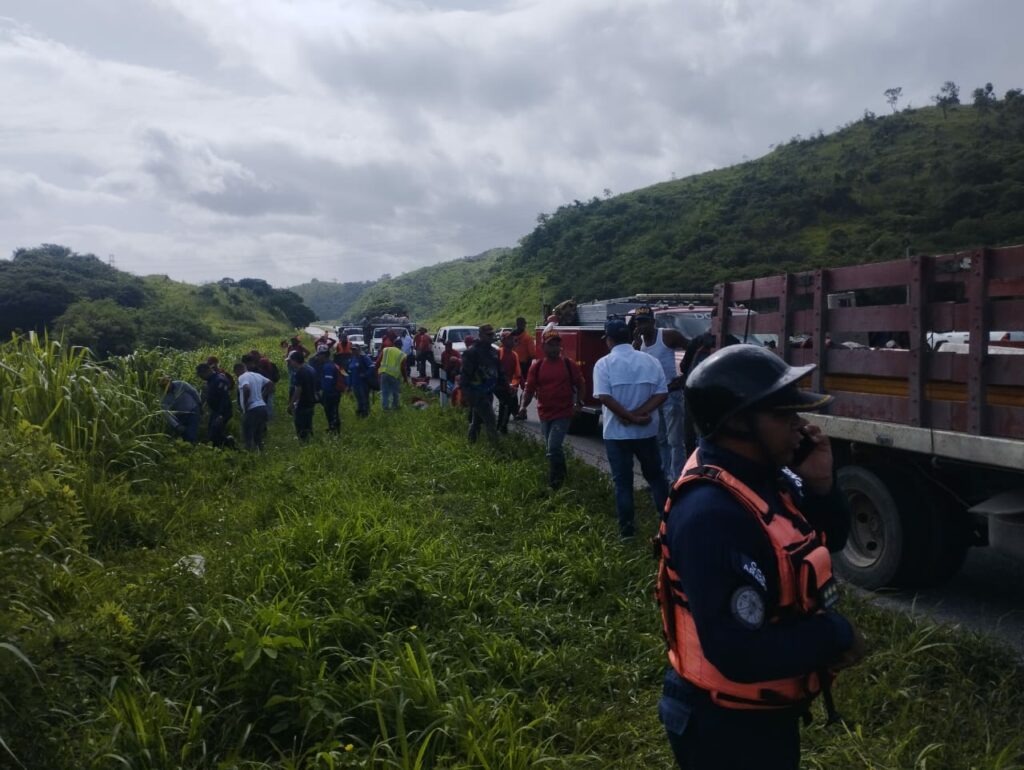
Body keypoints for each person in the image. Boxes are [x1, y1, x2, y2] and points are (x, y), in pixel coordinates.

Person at [656, 344, 866, 770]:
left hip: (762, 714)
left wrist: (822, 484)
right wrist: (836, 635)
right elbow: (737, 651)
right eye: (783, 416)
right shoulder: (712, 514)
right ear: (737, 423)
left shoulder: (766, 475)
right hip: (725, 728)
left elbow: (828, 541)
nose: (800, 427)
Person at [591, 319, 669, 539]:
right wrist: (639, 415)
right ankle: (668, 526)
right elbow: (662, 393)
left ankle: (627, 534)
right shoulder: (651, 361)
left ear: (609, 340)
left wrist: (629, 417)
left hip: (617, 434)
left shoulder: (603, 364)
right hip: (646, 432)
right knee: (656, 478)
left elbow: (604, 397)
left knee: (623, 483)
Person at [518, 328, 585, 488]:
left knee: (553, 447)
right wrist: (523, 407)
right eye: (551, 345)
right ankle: (563, 474)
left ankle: (556, 483)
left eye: (557, 344)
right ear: (543, 347)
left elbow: (581, 383)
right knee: (551, 448)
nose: (555, 348)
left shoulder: (568, 364)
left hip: (563, 412)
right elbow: (529, 389)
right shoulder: (538, 366)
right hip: (544, 413)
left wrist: (579, 403)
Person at [633, 306, 689, 484]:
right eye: (638, 322)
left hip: (671, 395)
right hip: (653, 399)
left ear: (653, 322)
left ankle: (677, 480)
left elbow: (694, 349)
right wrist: (635, 343)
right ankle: (663, 477)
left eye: (645, 322)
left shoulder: (667, 336)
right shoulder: (639, 343)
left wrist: (684, 376)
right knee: (660, 439)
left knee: (675, 441)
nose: (642, 326)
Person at [461, 324, 506, 443]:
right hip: (476, 393)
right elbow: (465, 375)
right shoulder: (472, 352)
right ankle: (496, 449)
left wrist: (505, 387)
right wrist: (466, 394)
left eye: (492, 334)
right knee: (491, 420)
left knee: (476, 421)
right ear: (480, 336)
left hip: (488, 392)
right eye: (488, 334)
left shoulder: (494, 351)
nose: (491, 337)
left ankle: (471, 443)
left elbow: (499, 371)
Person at [234, 361, 271, 451]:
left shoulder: (242, 377)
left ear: (237, 370)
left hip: (252, 409)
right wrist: (262, 395)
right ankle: (261, 453)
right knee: (258, 435)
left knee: (247, 434)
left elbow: (246, 388)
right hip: (262, 407)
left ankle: (249, 455)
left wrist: (246, 404)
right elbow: (271, 384)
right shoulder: (256, 375)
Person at [196, 362, 234, 448]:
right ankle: (223, 447)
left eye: (201, 376)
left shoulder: (219, 380)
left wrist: (220, 415)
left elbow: (224, 398)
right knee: (212, 433)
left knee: (214, 434)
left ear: (207, 371)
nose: (201, 378)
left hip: (222, 411)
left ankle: (228, 443)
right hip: (216, 411)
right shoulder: (211, 380)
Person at [286, 350, 317, 442]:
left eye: (290, 361)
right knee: (308, 423)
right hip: (311, 400)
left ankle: (303, 442)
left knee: (300, 425)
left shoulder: (299, 372)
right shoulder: (310, 369)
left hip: (303, 402)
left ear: (295, 360)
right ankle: (310, 441)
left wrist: (291, 404)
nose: (290, 363)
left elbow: (298, 389)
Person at [159, 376, 201, 444]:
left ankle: (192, 447)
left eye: (166, 385)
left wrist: (199, 404)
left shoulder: (181, 384)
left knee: (191, 435)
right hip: (180, 415)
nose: (165, 387)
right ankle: (187, 450)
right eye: (163, 386)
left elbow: (194, 392)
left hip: (193, 410)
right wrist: (176, 425)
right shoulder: (163, 395)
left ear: (171, 382)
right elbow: (165, 412)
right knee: (184, 435)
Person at [496, 331, 521, 433]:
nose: (512, 341)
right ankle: (501, 427)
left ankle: (502, 426)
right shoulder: (499, 353)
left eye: (512, 339)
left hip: (509, 386)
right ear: (503, 340)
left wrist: (515, 385)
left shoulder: (514, 355)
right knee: (506, 403)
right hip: (497, 385)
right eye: (509, 339)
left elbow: (517, 372)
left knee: (508, 404)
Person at [314, 346, 342, 434]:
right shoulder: (331, 364)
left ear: (324, 355)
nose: (317, 357)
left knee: (331, 412)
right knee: (332, 412)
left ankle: (334, 431)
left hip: (331, 394)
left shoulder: (328, 367)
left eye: (319, 355)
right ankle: (332, 428)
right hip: (334, 393)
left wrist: (322, 394)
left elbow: (328, 384)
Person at [510, 316, 536, 404]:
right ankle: (521, 408)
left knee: (513, 387)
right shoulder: (527, 338)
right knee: (525, 388)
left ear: (516, 324)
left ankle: (513, 409)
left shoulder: (510, 336)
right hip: (523, 367)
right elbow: (532, 354)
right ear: (524, 325)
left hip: (512, 365)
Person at [377, 339, 407, 410]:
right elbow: (403, 368)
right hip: (394, 376)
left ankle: (385, 408)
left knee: (385, 392)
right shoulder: (402, 354)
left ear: (393, 344)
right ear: (401, 346)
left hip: (384, 373)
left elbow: (378, 362)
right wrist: (405, 379)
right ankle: (395, 406)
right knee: (395, 392)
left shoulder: (386, 350)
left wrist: (377, 373)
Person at [346, 344, 375, 417]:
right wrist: (348, 385)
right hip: (355, 384)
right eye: (352, 349)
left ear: (359, 350)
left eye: (355, 349)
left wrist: (365, 374)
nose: (353, 351)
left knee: (364, 399)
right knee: (359, 399)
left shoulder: (364, 358)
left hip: (363, 384)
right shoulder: (351, 359)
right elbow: (349, 373)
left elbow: (372, 367)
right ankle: (360, 412)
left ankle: (366, 414)